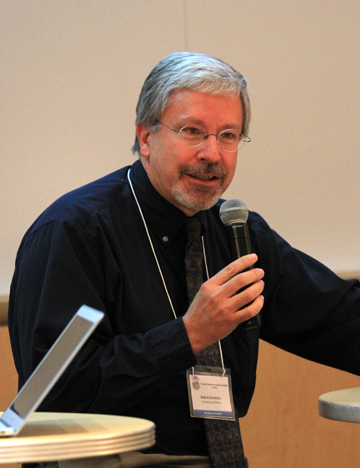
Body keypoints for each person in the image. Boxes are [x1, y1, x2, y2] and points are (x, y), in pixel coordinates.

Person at [8, 52, 360, 468]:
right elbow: (52, 392)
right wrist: (188, 335)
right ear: (145, 137)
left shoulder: (236, 233)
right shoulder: (74, 232)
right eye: (193, 131)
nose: (212, 153)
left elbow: (338, 319)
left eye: (228, 135)